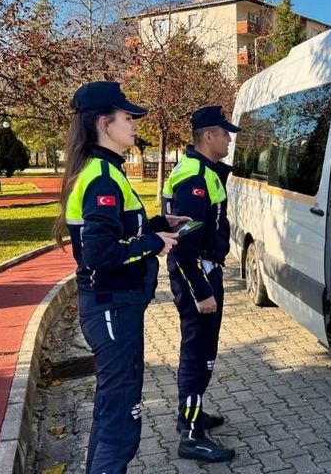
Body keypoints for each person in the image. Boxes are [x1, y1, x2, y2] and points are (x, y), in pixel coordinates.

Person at [52, 81, 187, 474]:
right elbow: (100, 253)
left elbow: (117, 233)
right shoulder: (102, 178)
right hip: (112, 306)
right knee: (121, 415)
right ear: (104, 123)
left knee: (114, 407)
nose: (134, 124)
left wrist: (160, 225)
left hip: (117, 305)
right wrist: (153, 244)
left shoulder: (105, 171)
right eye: (128, 117)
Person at [163, 106, 240, 463]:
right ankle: (191, 434)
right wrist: (203, 291)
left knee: (200, 352)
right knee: (199, 356)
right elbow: (183, 246)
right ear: (208, 137)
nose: (229, 139)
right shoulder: (194, 178)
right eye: (225, 133)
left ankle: (192, 413)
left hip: (205, 269)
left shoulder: (201, 170)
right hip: (199, 274)